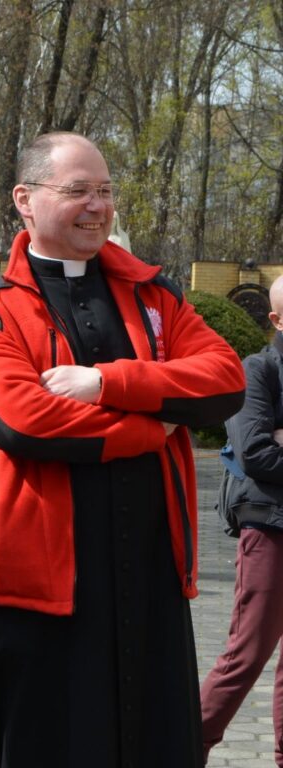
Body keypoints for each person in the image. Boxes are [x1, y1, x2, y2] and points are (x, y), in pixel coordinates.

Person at [0, 131, 246, 767]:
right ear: (25, 200)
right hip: (37, 588)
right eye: (78, 191)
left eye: (106, 191)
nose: (98, 206)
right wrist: (151, 427)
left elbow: (224, 380)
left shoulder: (154, 292)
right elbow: (22, 422)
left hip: (148, 574)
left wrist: (107, 383)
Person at [201, 274, 283, 766]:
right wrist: (271, 440)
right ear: (277, 319)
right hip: (270, 529)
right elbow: (257, 455)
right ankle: (184, 747)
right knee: (246, 655)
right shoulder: (258, 369)